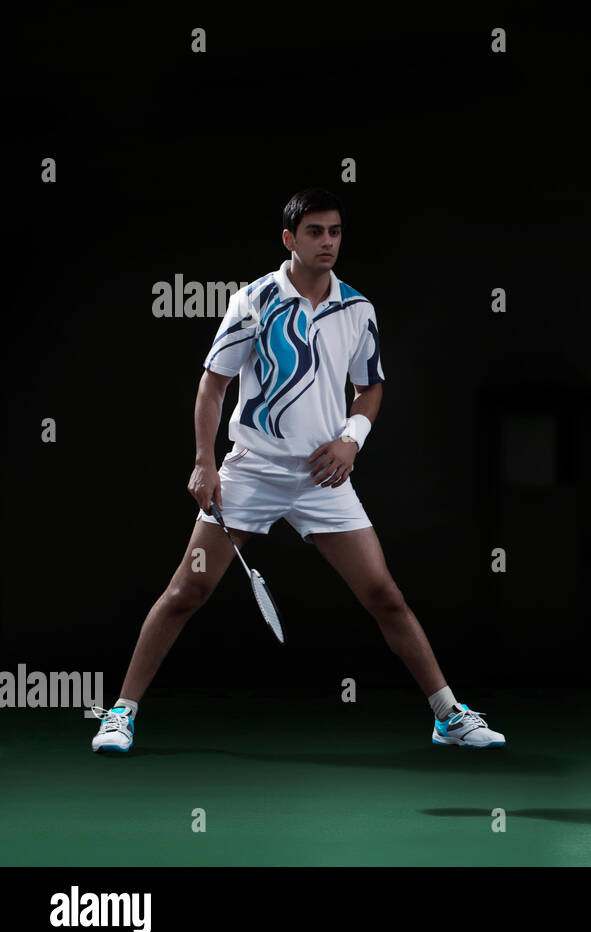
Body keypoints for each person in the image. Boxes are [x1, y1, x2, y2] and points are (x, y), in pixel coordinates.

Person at [92, 188, 504, 754]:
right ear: (289, 238)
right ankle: (120, 713)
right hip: (251, 472)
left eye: (334, 231)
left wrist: (350, 441)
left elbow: (370, 387)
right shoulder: (254, 301)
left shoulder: (358, 309)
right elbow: (213, 385)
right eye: (315, 231)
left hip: (323, 478)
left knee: (384, 594)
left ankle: (448, 715)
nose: (327, 241)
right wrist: (204, 463)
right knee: (187, 588)